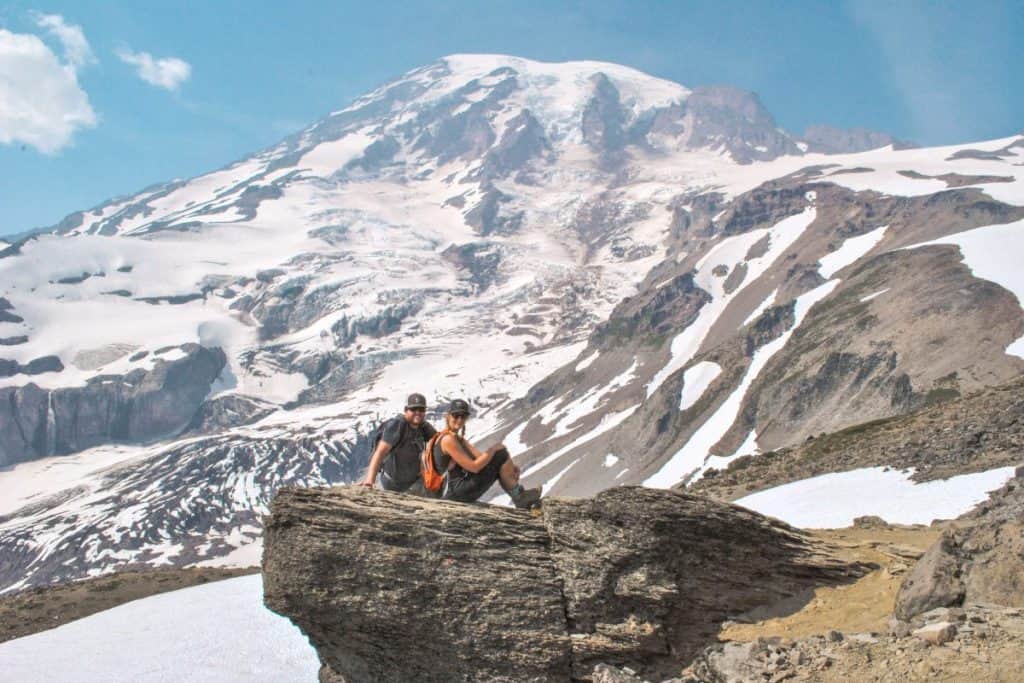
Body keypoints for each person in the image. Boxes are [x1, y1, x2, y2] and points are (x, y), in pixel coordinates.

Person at [432, 399, 541, 509]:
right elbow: (474, 467)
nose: (459, 420)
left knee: (499, 456)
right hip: (454, 492)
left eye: (463, 416)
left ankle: (519, 496)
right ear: (448, 416)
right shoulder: (448, 440)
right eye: (456, 415)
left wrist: (509, 467)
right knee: (500, 454)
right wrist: (493, 450)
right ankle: (519, 497)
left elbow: (481, 458)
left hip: (456, 489)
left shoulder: (456, 438)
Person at [360, 393, 437, 491]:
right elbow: (380, 452)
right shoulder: (397, 426)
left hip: (413, 483)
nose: (417, 412)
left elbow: (439, 442)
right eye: (413, 409)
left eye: (421, 410)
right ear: (406, 410)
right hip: (392, 484)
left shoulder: (424, 427)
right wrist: (370, 480)